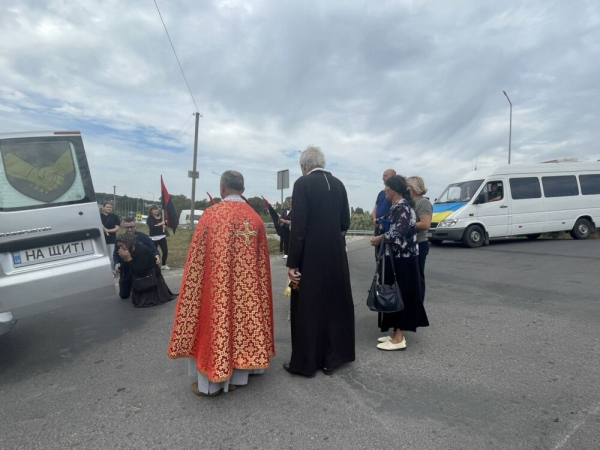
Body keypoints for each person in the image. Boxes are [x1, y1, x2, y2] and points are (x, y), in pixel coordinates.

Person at [168, 170, 275, 396]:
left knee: (217, 325)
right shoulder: (255, 219)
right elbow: (262, 267)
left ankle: (212, 384)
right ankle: (241, 374)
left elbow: (198, 260)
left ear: (222, 187)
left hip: (217, 290)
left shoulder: (211, 215)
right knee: (244, 324)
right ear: (242, 190)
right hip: (247, 293)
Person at [285, 146, 355, 377]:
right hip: (335, 254)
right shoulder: (339, 185)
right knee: (334, 303)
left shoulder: (302, 184)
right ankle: (333, 358)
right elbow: (345, 222)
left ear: (304, 166)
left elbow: (298, 228)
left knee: (309, 306)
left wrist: (293, 263)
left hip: (311, 256)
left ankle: (306, 362)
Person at [370, 175, 429, 351]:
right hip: (396, 259)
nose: (384, 190)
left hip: (404, 260)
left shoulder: (403, 207)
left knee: (401, 295)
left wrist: (380, 238)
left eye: (386, 187)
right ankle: (395, 330)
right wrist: (378, 223)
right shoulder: (397, 206)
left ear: (393, 190)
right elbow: (385, 221)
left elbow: (398, 234)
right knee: (394, 294)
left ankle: (399, 338)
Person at [115, 233, 176, 308]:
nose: (120, 248)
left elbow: (140, 270)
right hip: (141, 277)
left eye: (122, 245)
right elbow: (129, 267)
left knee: (144, 302)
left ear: (129, 243)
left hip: (151, 277)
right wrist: (122, 265)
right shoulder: (130, 251)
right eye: (119, 246)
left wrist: (128, 259)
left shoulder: (142, 250)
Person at [114, 217, 160, 299]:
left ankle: (142, 286)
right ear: (124, 227)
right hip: (126, 268)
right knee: (124, 295)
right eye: (127, 227)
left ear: (135, 226)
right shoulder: (120, 239)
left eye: (131, 227)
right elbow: (115, 254)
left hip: (140, 267)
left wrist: (157, 257)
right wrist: (117, 264)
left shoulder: (144, 237)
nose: (130, 229)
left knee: (142, 292)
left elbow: (153, 249)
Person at [407, 176, 433, 303]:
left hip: (420, 243)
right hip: (412, 243)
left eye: (407, 186)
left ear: (412, 187)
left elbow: (425, 224)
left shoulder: (423, 203)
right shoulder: (412, 203)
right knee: (411, 278)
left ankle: (418, 305)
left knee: (417, 277)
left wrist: (404, 225)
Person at [371, 169, 396, 257]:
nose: (383, 178)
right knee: (378, 253)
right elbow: (375, 209)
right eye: (383, 176)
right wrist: (375, 220)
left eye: (385, 176)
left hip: (387, 228)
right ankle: (379, 269)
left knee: (387, 254)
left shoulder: (395, 194)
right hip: (378, 227)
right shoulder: (381, 193)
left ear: (393, 177)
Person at [146, 205, 170, 270]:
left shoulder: (161, 217)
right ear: (151, 211)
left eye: (157, 209)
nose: (156, 210)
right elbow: (152, 227)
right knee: (155, 252)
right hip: (153, 238)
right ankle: (154, 265)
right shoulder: (149, 218)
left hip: (162, 237)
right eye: (154, 209)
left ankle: (164, 264)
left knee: (165, 251)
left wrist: (164, 225)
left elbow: (164, 224)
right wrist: (160, 224)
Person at [100, 201, 120, 275]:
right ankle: (103, 272)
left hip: (111, 239)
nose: (109, 208)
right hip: (100, 239)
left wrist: (108, 230)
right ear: (104, 207)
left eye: (110, 207)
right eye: (107, 207)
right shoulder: (99, 216)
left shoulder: (115, 217)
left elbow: (117, 228)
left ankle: (112, 272)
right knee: (102, 257)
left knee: (111, 257)